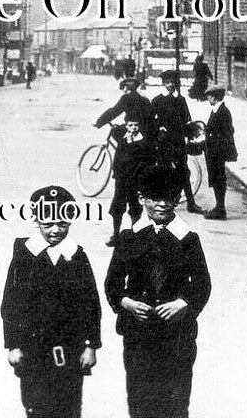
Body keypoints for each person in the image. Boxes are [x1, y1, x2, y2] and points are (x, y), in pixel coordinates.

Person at [105, 164, 211, 418]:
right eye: (154, 198)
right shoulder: (130, 237)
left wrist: (183, 304)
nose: (162, 204)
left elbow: (202, 283)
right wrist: (126, 302)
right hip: (138, 334)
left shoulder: (187, 239)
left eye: (169, 198)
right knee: (140, 399)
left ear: (177, 200)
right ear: (142, 199)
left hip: (177, 335)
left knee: (175, 400)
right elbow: (113, 282)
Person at [1, 185, 101, 418]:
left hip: (70, 349)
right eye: (48, 225)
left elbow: (91, 304)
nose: (56, 230)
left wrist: (90, 345)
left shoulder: (77, 257)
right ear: (36, 221)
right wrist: (13, 344)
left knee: (69, 406)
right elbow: (10, 304)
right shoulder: (24, 256)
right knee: (35, 405)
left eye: (62, 224)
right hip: (32, 350)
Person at [96, 77, 157, 245]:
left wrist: (99, 123)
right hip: (125, 174)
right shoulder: (145, 101)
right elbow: (152, 121)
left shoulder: (127, 99)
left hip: (133, 172)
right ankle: (122, 234)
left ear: (127, 88)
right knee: (127, 204)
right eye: (129, 125)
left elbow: (113, 111)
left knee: (126, 204)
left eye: (124, 88)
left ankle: (123, 235)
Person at [151, 70, 202, 214]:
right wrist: (158, 127)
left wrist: (188, 136)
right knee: (163, 171)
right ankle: (163, 201)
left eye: (173, 82)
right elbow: (149, 120)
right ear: (163, 84)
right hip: (163, 142)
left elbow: (187, 120)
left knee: (184, 171)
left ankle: (190, 203)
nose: (171, 85)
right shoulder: (158, 100)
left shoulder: (181, 100)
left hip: (178, 142)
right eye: (168, 82)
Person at [201, 87, 237, 221]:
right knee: (217, 178)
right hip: (216, 149)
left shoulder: (222, 112)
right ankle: (219, 207)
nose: (208, 99)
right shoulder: (218, 110)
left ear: (215, 97)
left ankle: (220, 209)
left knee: (218, 178)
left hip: (218, 151)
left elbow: (227, 132)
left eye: (209, 96)